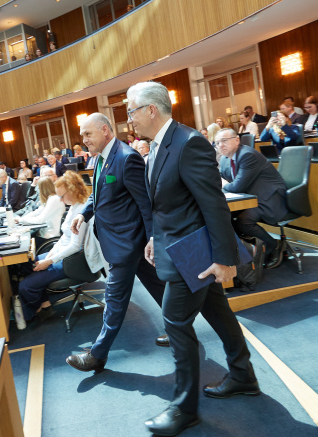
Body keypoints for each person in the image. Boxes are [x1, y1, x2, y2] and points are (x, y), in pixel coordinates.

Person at [127, 81, 257, 436]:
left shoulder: (188, 142)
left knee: (174, 321)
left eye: (131, 110)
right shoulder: (157, 145)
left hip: (196, 253)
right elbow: (167, 203)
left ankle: (184, 409)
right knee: (217, 311)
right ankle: (243, 375)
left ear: (151, 110)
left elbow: (213, 204)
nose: (129, 119)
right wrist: (154, 236)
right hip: (177, 248)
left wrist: (224, 258)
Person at [65, 113, 166, 374]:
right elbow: (99, 194)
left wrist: (153, 237)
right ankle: (182, 328)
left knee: (114, 298)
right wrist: (83, 213)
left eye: (88, 134)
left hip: (128, 242)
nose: (83, 141)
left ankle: (97, 355)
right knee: (159, 286)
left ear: (106, 131)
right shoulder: (101, 158)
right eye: (82, 136)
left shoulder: (126, 157)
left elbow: (146, 204)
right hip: (121, 240)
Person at [18, 173, 89, 321]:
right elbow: (64, 237)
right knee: (26, 265)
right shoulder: (73, 206)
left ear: (72, 191)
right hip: (63, 254)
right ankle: (45, 305)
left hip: (73, 261)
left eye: (62, 196)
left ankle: (35, 312)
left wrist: (49, 261)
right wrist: (50, 254)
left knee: (25, 286)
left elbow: (75, 246)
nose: (61, 200)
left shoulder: (82, 211)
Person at [215, 129, 287, 269]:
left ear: (237, 140)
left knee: (244, 221)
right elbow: (219, 180)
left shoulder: (247, 155)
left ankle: (273, 245)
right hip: (249, 196)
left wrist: (223, 184)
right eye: (217, 143)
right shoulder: (224, 159)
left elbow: (236, 187)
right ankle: (245, 256)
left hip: (269, 197)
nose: (220, 145)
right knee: (223, 216)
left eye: (224, 141)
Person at [16, 176, 64, 248]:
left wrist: (21, 220)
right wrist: (22, 218)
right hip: (42, 234)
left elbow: (40, 219)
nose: (36, 189)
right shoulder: (49, 198)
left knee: (22, 246)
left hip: (48, 237)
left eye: (37, 187)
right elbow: (36, 212)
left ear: (43, 188)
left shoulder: (54, 199)